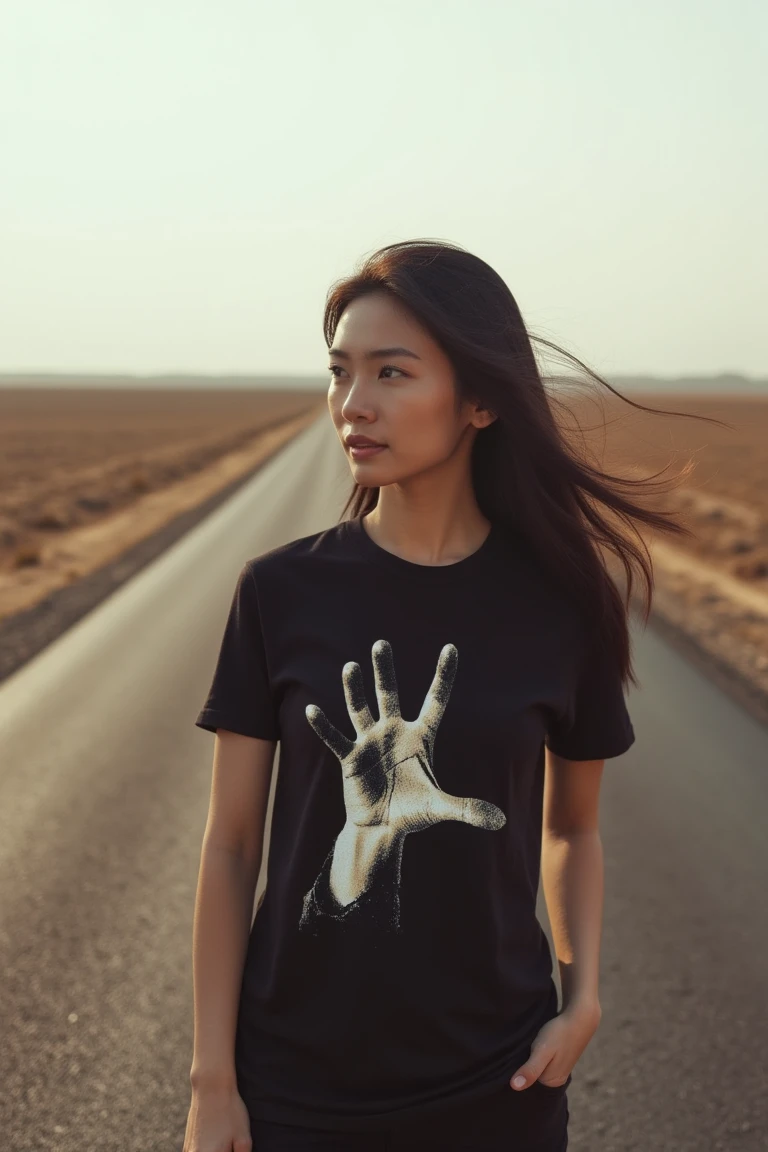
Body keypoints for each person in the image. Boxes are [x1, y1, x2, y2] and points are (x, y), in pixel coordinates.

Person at [183, 239, 712, 1152]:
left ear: (479, 400)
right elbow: (231, 847)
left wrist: (581, 1000)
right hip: (297, 1090)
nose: (355, 404)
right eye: (342, 372)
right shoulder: (277, 592)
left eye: (392, 372)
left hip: (498, 1084)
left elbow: (571, 828)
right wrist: (213, 1082)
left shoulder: (563, 604)